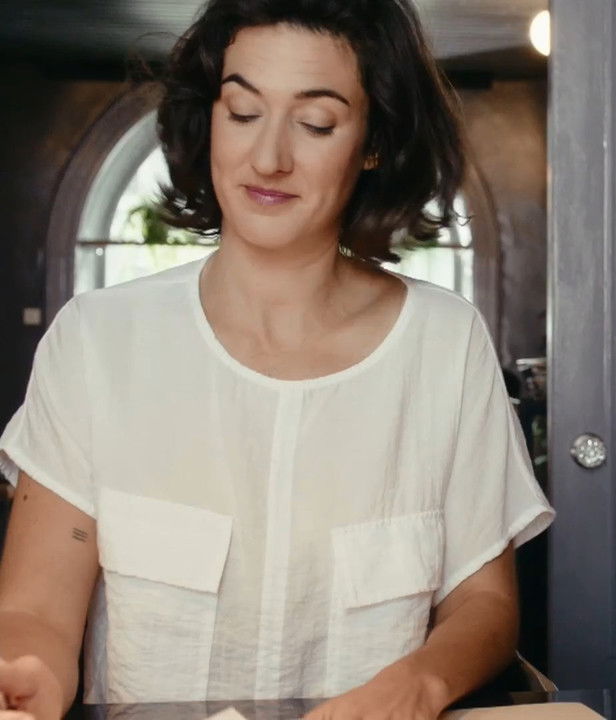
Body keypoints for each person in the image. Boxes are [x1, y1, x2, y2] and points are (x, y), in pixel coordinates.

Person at [0, 1, 553, 717]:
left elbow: (485, 604)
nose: (268, 158)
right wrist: (33, 675)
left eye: (316, 123)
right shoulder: (95, 341)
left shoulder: (445, 345)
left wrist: (420, 683)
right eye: (242, 112)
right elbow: (35, 611)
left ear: (375, 142)